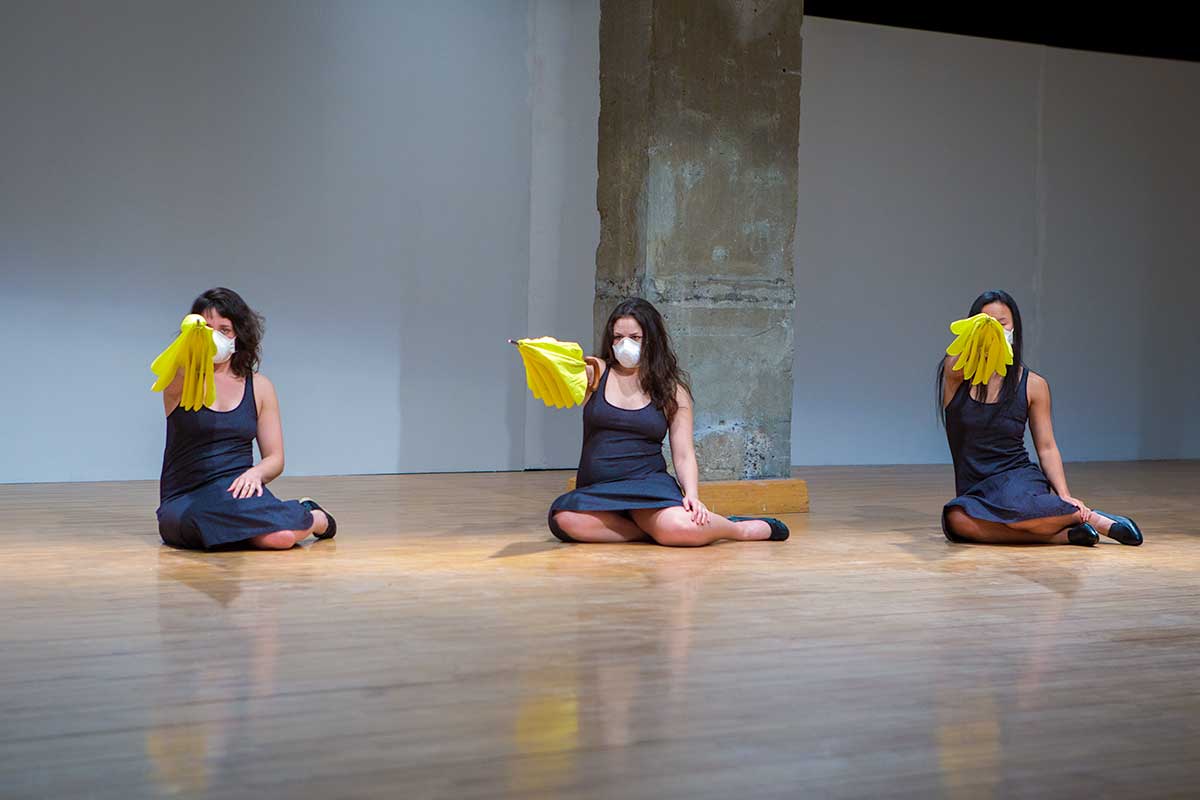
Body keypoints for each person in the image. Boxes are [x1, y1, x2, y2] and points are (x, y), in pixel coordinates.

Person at [549, 298, 789, 546]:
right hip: (598, 488)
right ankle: (650, 532)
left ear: (651, 339)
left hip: (646, 484)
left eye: (634, 337)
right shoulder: (596, 372)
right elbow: (564, 367)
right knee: (565, 519)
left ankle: (739, 528)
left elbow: (683, 453)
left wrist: (692, 495)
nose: (624, 344)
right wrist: (544, 354)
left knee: (680, 529)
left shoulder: (672, 390)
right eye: (617, 337)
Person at [939, 290, 1142, 546]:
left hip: (1016, 479)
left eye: (1001, 324)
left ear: (1015, 329)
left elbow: (1046, 447)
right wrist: (977, 335)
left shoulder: (1033, 385)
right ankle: (1065, 535)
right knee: (956, 519)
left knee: (1016, 507)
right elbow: (956, 359)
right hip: (975, 488)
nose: (993, 330)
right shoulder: (956, 376)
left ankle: (1088, 517)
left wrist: (1064, 494)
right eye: (984, 322)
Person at [156, 287, 337, 550]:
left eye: (224, 330)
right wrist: (191, 338)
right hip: (186, 498)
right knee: (201, 519)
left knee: (282, 538)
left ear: (238, 335)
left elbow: (275, 458)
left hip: (239, 493)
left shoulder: (260, 387)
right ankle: (297, 516)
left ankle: (315, 517)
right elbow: (177, 359)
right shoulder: (179, 381)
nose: (214, 337)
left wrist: (255, 474)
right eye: (206, 328)